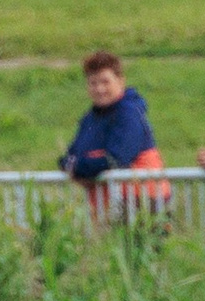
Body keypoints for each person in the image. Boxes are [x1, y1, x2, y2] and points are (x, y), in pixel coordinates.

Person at [58, 50, 164, 211]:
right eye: (93, 83)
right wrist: (72, 164)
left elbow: (116, 160)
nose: (99, 89)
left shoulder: (129, 114)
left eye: (105, 82)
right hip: (108, 207)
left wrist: (76, 168)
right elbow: (71, 155)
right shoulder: (90, 119)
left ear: (121, 81)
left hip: (143, 206)